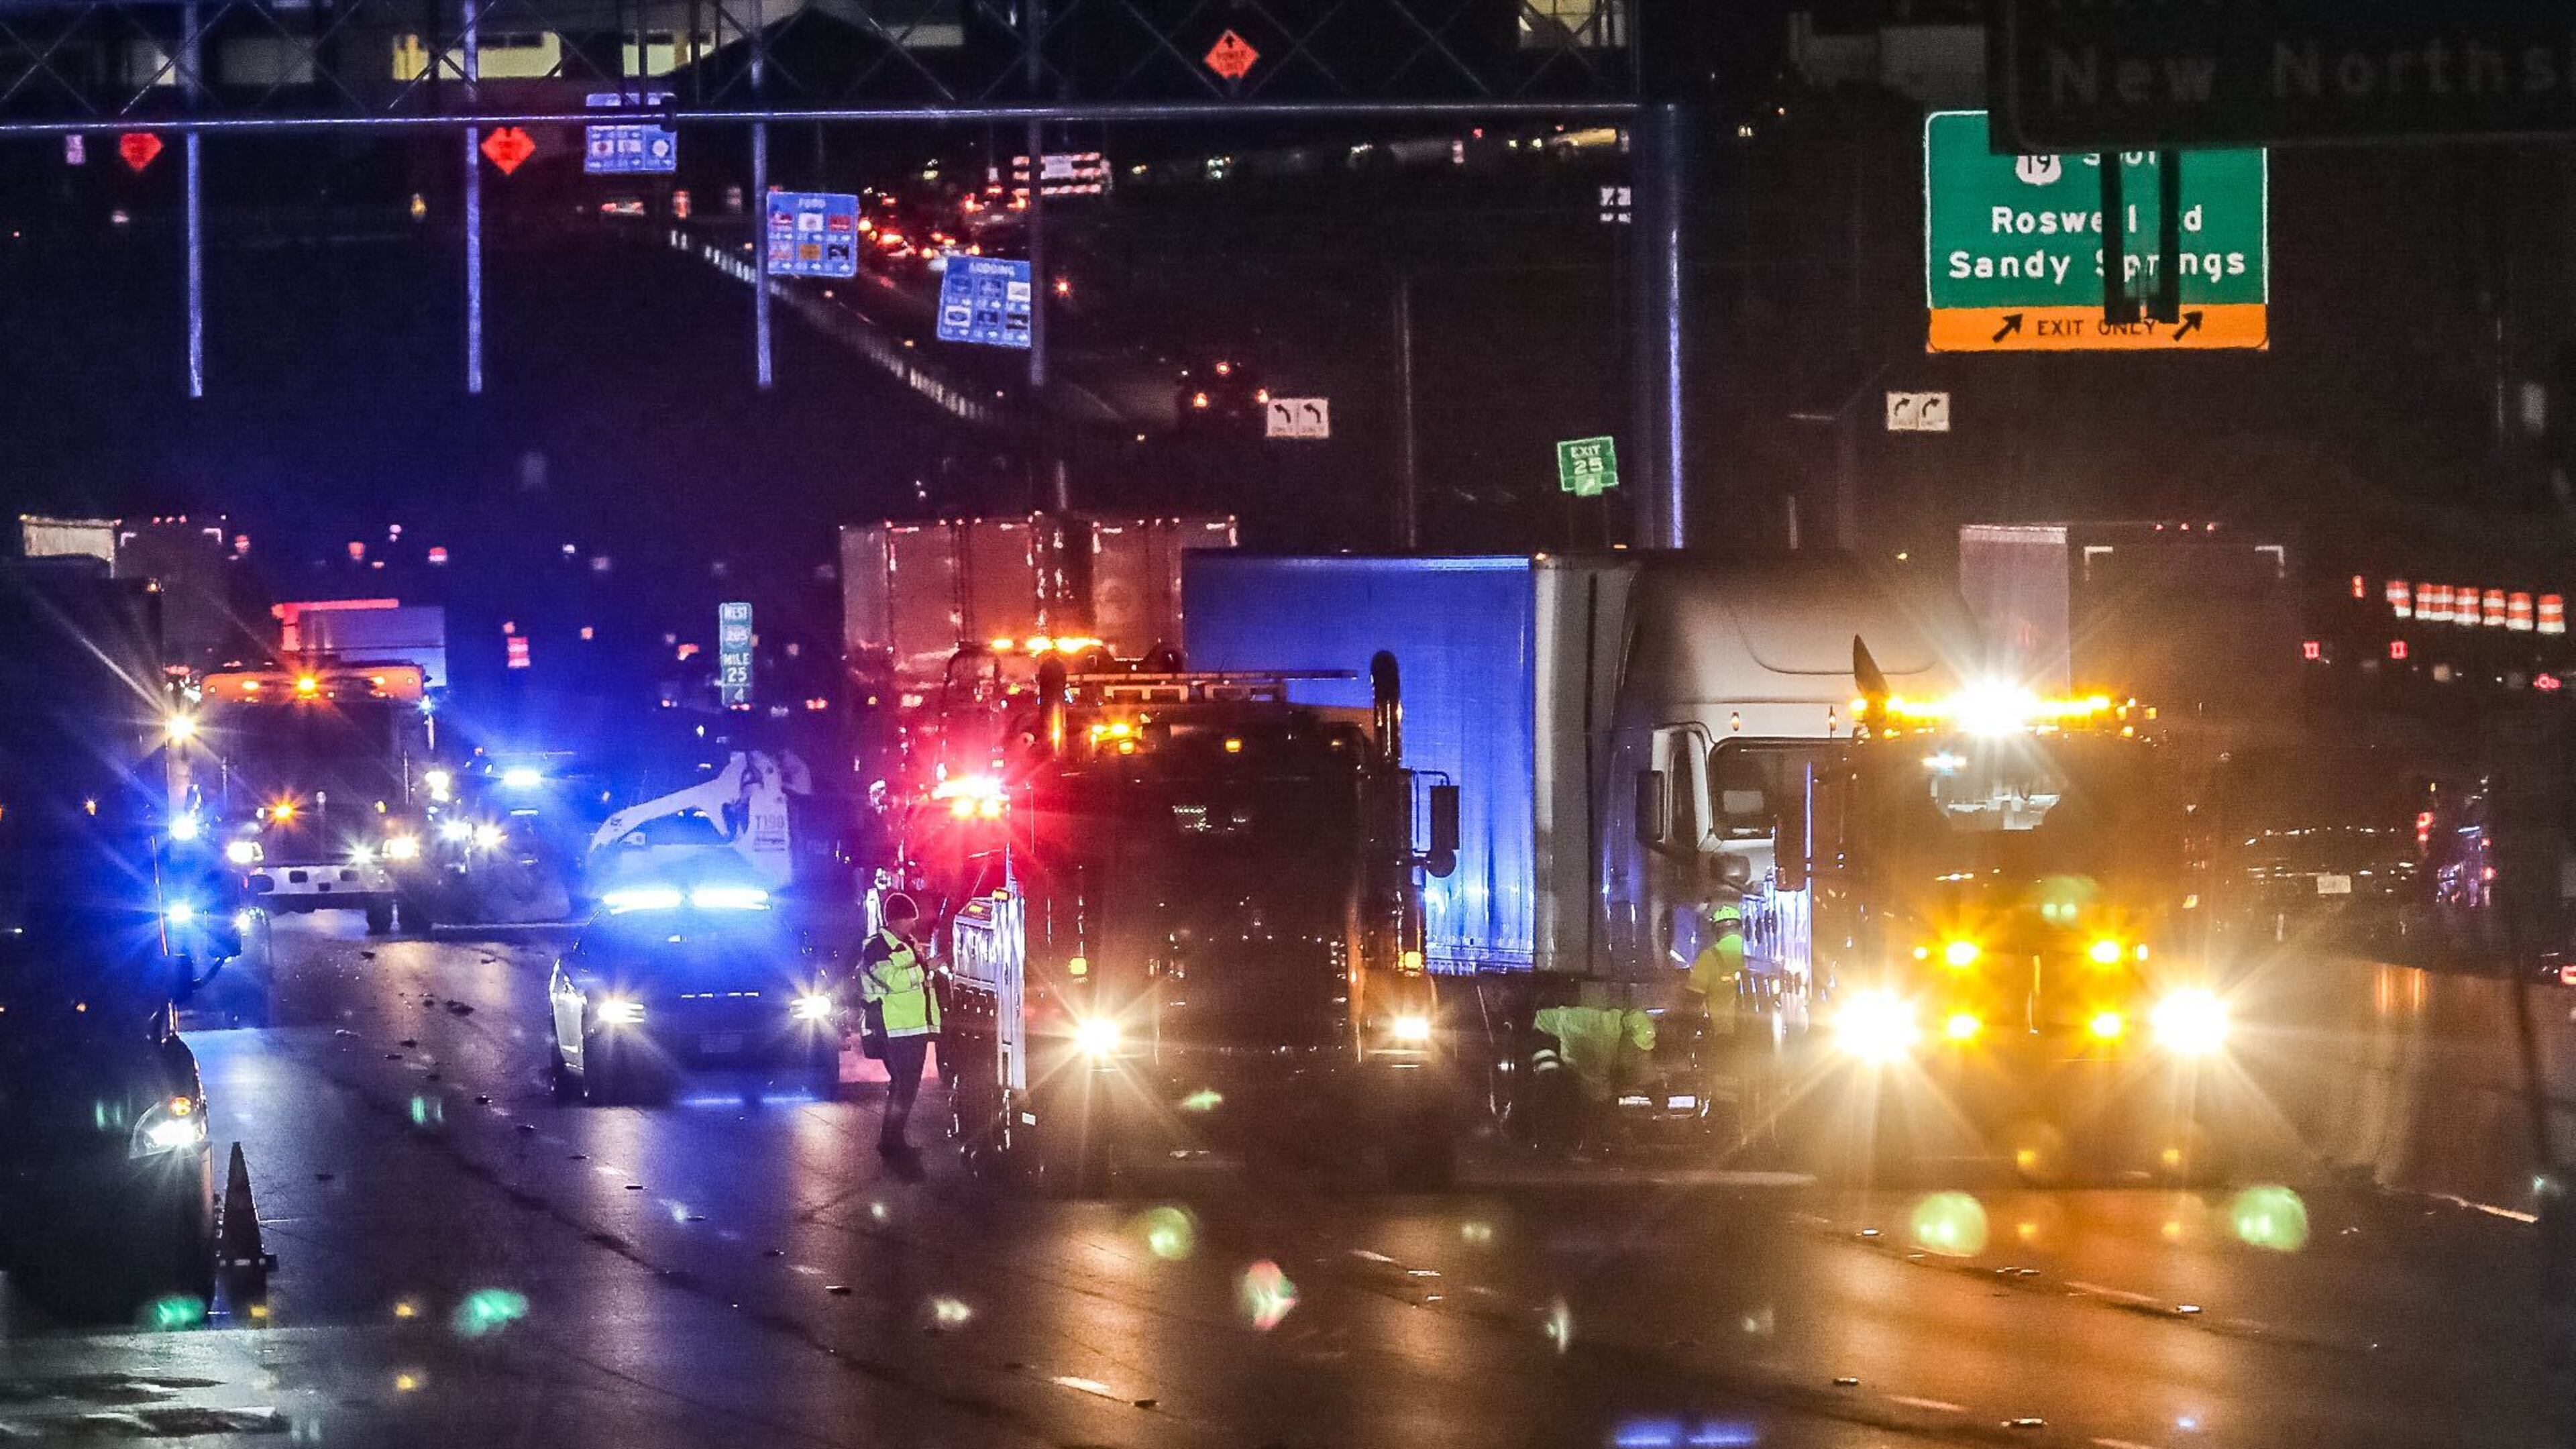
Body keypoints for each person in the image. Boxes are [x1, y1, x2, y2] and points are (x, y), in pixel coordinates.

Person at [859, 892, 943, 1157]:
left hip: (912, 1027)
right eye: (909, 919)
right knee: (903, 1085)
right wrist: (926, 967)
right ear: (894, 920)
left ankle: (894, 1140)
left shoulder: (907, 943)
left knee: (905, 1085)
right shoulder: (877, 947)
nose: (913, 924)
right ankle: (892, 1143)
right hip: (893, 1028)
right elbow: (891, 981)